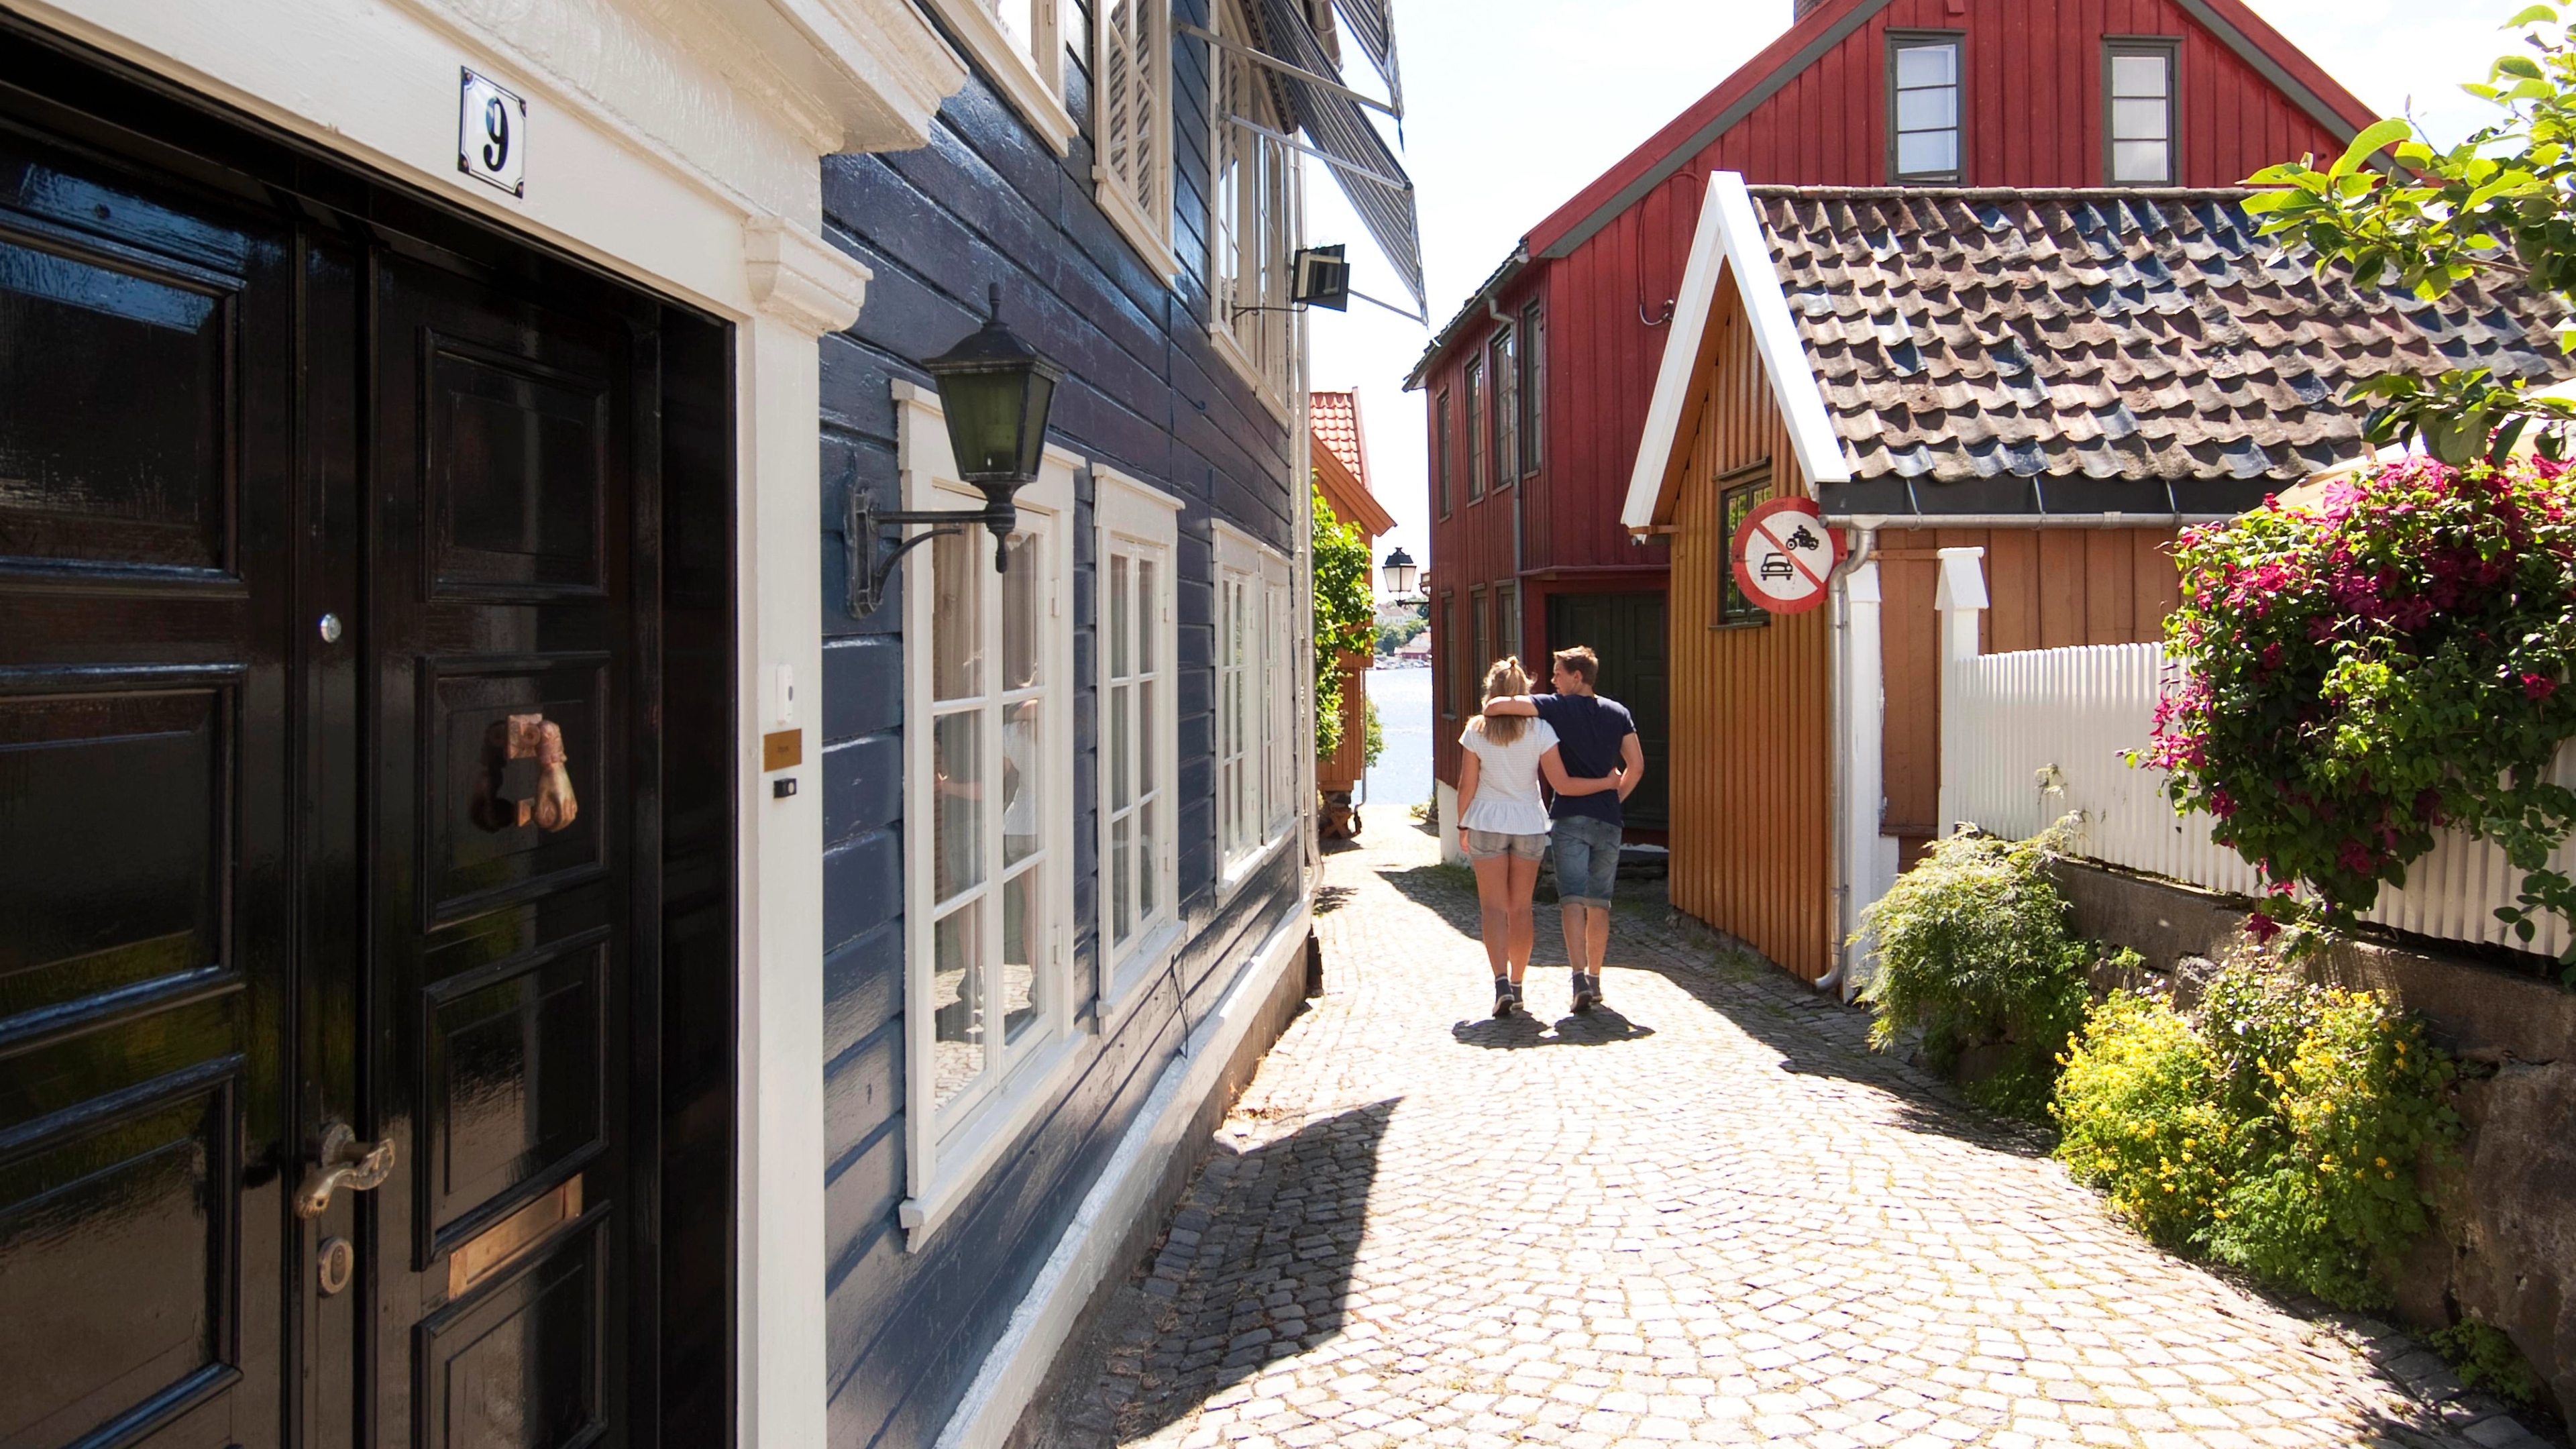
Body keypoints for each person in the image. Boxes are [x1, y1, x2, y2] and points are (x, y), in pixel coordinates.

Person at [1454, 657, 1623, 1018]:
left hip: (1487, 820)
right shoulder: (1542, 730)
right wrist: (1609, 783)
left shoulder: (1476, 729)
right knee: (1521, 909)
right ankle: (1517, 985)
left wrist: (1461, 825)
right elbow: (1560, 783)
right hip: (1530, 823)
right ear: (1523, 693)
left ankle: (1500, 982)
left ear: (1492, 690)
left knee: (1493, 908)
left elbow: (1467, 785)